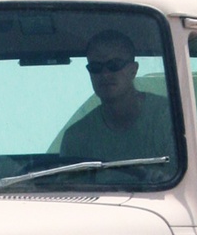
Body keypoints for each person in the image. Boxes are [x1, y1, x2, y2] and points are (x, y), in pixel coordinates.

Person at [59, 30, 176, 167]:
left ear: (133, 70)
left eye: (114, 65)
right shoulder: (76, 137)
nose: (105, 74)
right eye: (96, 67)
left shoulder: (169, 118)